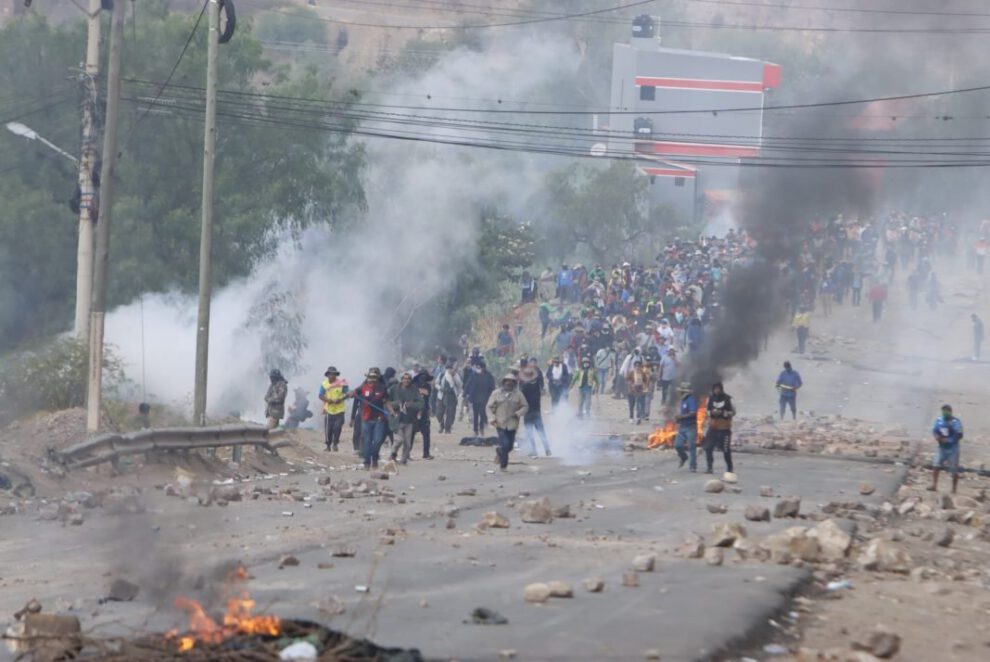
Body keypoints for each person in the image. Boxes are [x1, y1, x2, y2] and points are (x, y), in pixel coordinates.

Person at [348, 367, 394, 469]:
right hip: (366, 419)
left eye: (374, 378)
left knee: (378, 440)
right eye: (369, 377)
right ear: (367, 378)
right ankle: (367, 462)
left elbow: (387, 401)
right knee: (367, 441)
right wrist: (350, 393)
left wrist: (392, 411)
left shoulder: (383, 388)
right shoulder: (363, 388)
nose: (371, 380)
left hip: (379, 419)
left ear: (377, 378)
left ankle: (375, 456)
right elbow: (353, 393)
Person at [488, 373, 529, 471]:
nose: (508, 383)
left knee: (510, 446)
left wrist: (518, 413)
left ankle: (499, 451)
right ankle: (503, 466)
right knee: (505, 444)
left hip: (512, 424)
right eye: (507, 381)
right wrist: (492, 418)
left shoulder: (518, 394)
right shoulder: (496, 393)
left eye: (511, 381)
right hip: (500, 423)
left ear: (514, 383)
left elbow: (525, 406)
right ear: (503, 382)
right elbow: (489, 407)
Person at [388, 371, 424, 465]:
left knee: (408, 443)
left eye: (408, 379)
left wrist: (411, 404)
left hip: (409, 420)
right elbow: (387, 403)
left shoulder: (414, 390)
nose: (406, 381)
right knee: (399, 440)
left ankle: (403, 460)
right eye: (404, 379)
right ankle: (393, 453)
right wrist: (397, 404)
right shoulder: (394, 389)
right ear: (401, 380)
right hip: (397, 419)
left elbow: (421, 403)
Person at [929, 404, 963, 494]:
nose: (944, 413)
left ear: (950, 412)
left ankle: (954, 489)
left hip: (953, 449)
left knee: (954, 469)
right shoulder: (939, 420)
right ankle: (934, 485)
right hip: (941, 448)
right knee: (936, 465)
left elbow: (959, 435)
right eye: (943, 411)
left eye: (946, 411)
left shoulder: (956, 422)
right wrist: (936, 437)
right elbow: (934, 430)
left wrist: (948, 440)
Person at [520, 363, 551, 458]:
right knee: (541, 431)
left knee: (530, 433)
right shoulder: (537, 385)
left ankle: (534, 451)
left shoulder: (525, 387)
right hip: (537, 411)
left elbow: (521, 399)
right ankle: (547, 449)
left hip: (528, 412)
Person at [703, 382, 735, 474]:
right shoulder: (710, 399)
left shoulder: (728, 399)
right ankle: (709, 467)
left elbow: (733, 412)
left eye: (718, 388)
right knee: (708, 448)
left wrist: (723, 413)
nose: (717, 390)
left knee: (726, 449)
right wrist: (712, 413)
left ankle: (729, 468)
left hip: (724, 428)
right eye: (715, 389)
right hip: (713, 428)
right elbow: (707, 411)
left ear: (721, 389)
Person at [318, 367, 348, 450]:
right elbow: (320, 395)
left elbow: (347, 394)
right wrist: (328, 400)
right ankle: (328, 446)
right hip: (329, 410)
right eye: (330, 374)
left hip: (340, 410)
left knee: (337, 427)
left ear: (336, 375)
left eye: (334, 374)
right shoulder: (324, 384)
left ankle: (335, 444)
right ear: (327, 375)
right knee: (328, 429)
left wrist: (340, 399)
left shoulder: (342, 383)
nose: (332, 376)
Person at [464, 361, 496, 436]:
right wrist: (465, 393)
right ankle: (475, 430)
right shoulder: (473, 375)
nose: (477, 369)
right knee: (475, 415)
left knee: (482, 413)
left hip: (484, 398)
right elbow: (468, 384)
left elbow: (492, 386)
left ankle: (481, 428)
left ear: (483, 368)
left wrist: (492, 395)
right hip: (475, 398)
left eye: (479, 367)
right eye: (477, 367)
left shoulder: (488, 376)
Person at [674, 381, 698, 472]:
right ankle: (684, 457)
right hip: (682, 426)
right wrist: (678, 419)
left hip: (691, 427)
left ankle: (693, 466)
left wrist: (682, 417)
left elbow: (693, 413)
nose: (680, 393)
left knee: (691, 447)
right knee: (677, 445)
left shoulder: (691, 399)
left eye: (681, 391)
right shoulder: (683, 400)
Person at [411, 368, 435, 459]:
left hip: (424, 413)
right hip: (414, 412)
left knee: (426, 433)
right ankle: (407, 453)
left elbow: (427, 396)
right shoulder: (413, 385)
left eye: (424, 377)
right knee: (411, 433)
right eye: (422, 377)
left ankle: (426, 453)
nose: (423, 379)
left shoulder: (427, 386)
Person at [435, 362, 462, 434]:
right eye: (449, 369)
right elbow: (436, 383)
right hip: (442, 395)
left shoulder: (456, 376)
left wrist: (454, 376)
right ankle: (441, 425)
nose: (450, 370)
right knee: (439, 413)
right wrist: (440, 388)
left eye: (451, 369)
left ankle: (448, 428)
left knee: (450, 413)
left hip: (451, 396)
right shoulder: (442, 375)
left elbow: (459, 385)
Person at [627, 359, 650, 424]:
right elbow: (627, 380)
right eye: (636, 366)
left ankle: (638, 417)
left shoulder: (642, 373)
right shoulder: (631, 373)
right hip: (631, 391)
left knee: (638, 404)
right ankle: (631, 417)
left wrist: (645, 387)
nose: (637, 367)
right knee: (631, 405)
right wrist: (631, 385)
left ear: (640, 367)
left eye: (639, 366)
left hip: (639, 390)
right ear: (634, 367)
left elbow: (646, 381)